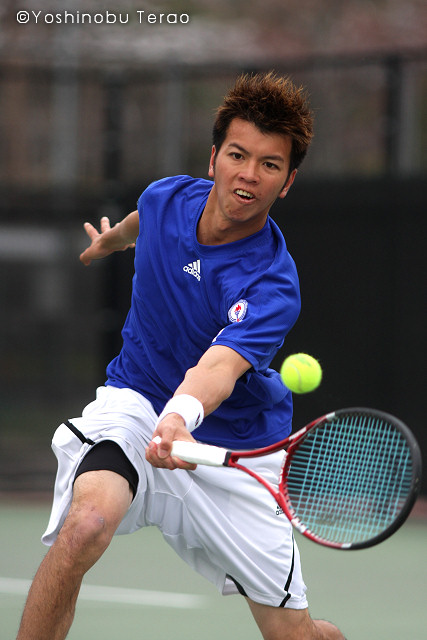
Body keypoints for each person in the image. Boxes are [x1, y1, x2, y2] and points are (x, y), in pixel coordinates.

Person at [17, 72, 345, 640]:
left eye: (269, 164)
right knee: (85, 523)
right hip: (136, 404)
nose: (249, 175)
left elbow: (219, 366)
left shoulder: (272, 283)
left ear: (287, 182)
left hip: (236, 449)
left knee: (293, 634)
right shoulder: (165, 197)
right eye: (238, 155)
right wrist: (112, 241)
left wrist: (181, 416)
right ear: (214, 158)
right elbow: (142, 223)